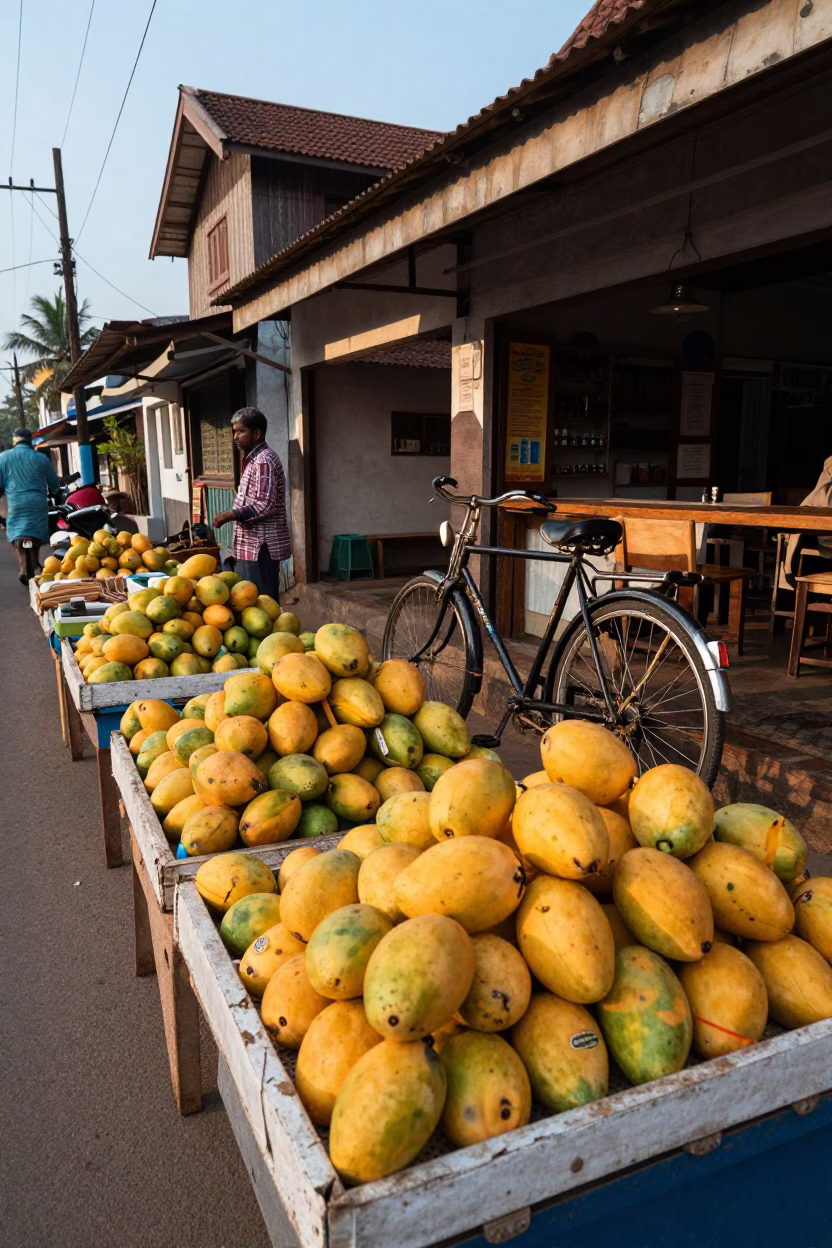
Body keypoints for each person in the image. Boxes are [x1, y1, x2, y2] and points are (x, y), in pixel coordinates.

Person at [212, 407, 289, 599]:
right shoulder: (252, 460)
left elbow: (265, 503)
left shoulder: (264, 461)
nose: (235, 437)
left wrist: (232, 514)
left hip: (261, 547)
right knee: (250, 603)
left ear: (257, 433)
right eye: (234, 432)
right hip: (251, 547)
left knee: (262, 603)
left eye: (241, 431)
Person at [0, 428, 61, 583]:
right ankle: (33, 565)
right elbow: (54, 483)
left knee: (16, 534)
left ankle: (23, 568)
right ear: (30, 440)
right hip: (37, 504)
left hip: (16, 505)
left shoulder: (3, 457)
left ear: (14, 441)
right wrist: (55, 490)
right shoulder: (41, 458)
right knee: (36, 535)